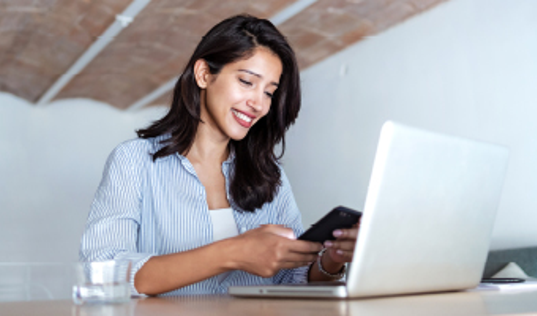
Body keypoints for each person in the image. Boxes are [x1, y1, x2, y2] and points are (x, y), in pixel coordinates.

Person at [80, 14, 359, 296]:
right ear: (203, 74)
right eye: (247, 82)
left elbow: (291, 278)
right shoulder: (134, 161)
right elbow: (102, 273)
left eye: (269, 93)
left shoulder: (269, 174)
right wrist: (232, 253)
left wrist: (331, 261)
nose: (259, 104)